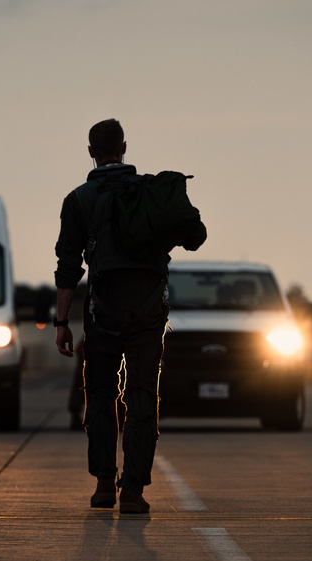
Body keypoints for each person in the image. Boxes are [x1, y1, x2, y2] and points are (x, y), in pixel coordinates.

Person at [53, 118, 207, 514]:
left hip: (101, 314)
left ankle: (104, 483)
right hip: (149, 314)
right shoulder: (152, 193)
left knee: (101, 396)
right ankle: (134, 490)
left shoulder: (78, 200)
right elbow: (196, 236)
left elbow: (68, 268)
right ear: (125, 147)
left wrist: (60, 322)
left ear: (91, 152)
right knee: (142, 396)